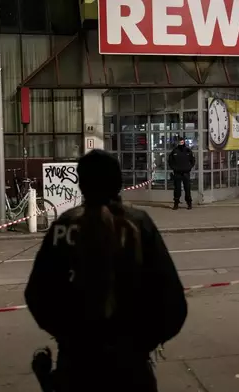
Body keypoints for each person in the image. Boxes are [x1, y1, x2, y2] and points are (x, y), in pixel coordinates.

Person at [25, 149, 188, 392]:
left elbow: (37, 294)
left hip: (77, 366)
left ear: (81, 183)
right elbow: (173, 300)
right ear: (118, 182)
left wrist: (68, 336)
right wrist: (143, 343)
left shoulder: (64, 226)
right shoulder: (139, 224)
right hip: (131, 369)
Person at [167, 138, 195, 210]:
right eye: (180, 142)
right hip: (177, 173)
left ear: (184, 142)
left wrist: (189, 167)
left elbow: (193, 161)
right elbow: (170, 161)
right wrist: (174, 168)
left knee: (187, 189)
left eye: (182, 142)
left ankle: (189, 203)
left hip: (186, 173)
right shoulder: (174, 151)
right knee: (177, 189)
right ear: (178, 142)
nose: (181, 143)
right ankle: (176, 204)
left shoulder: (188, 151)